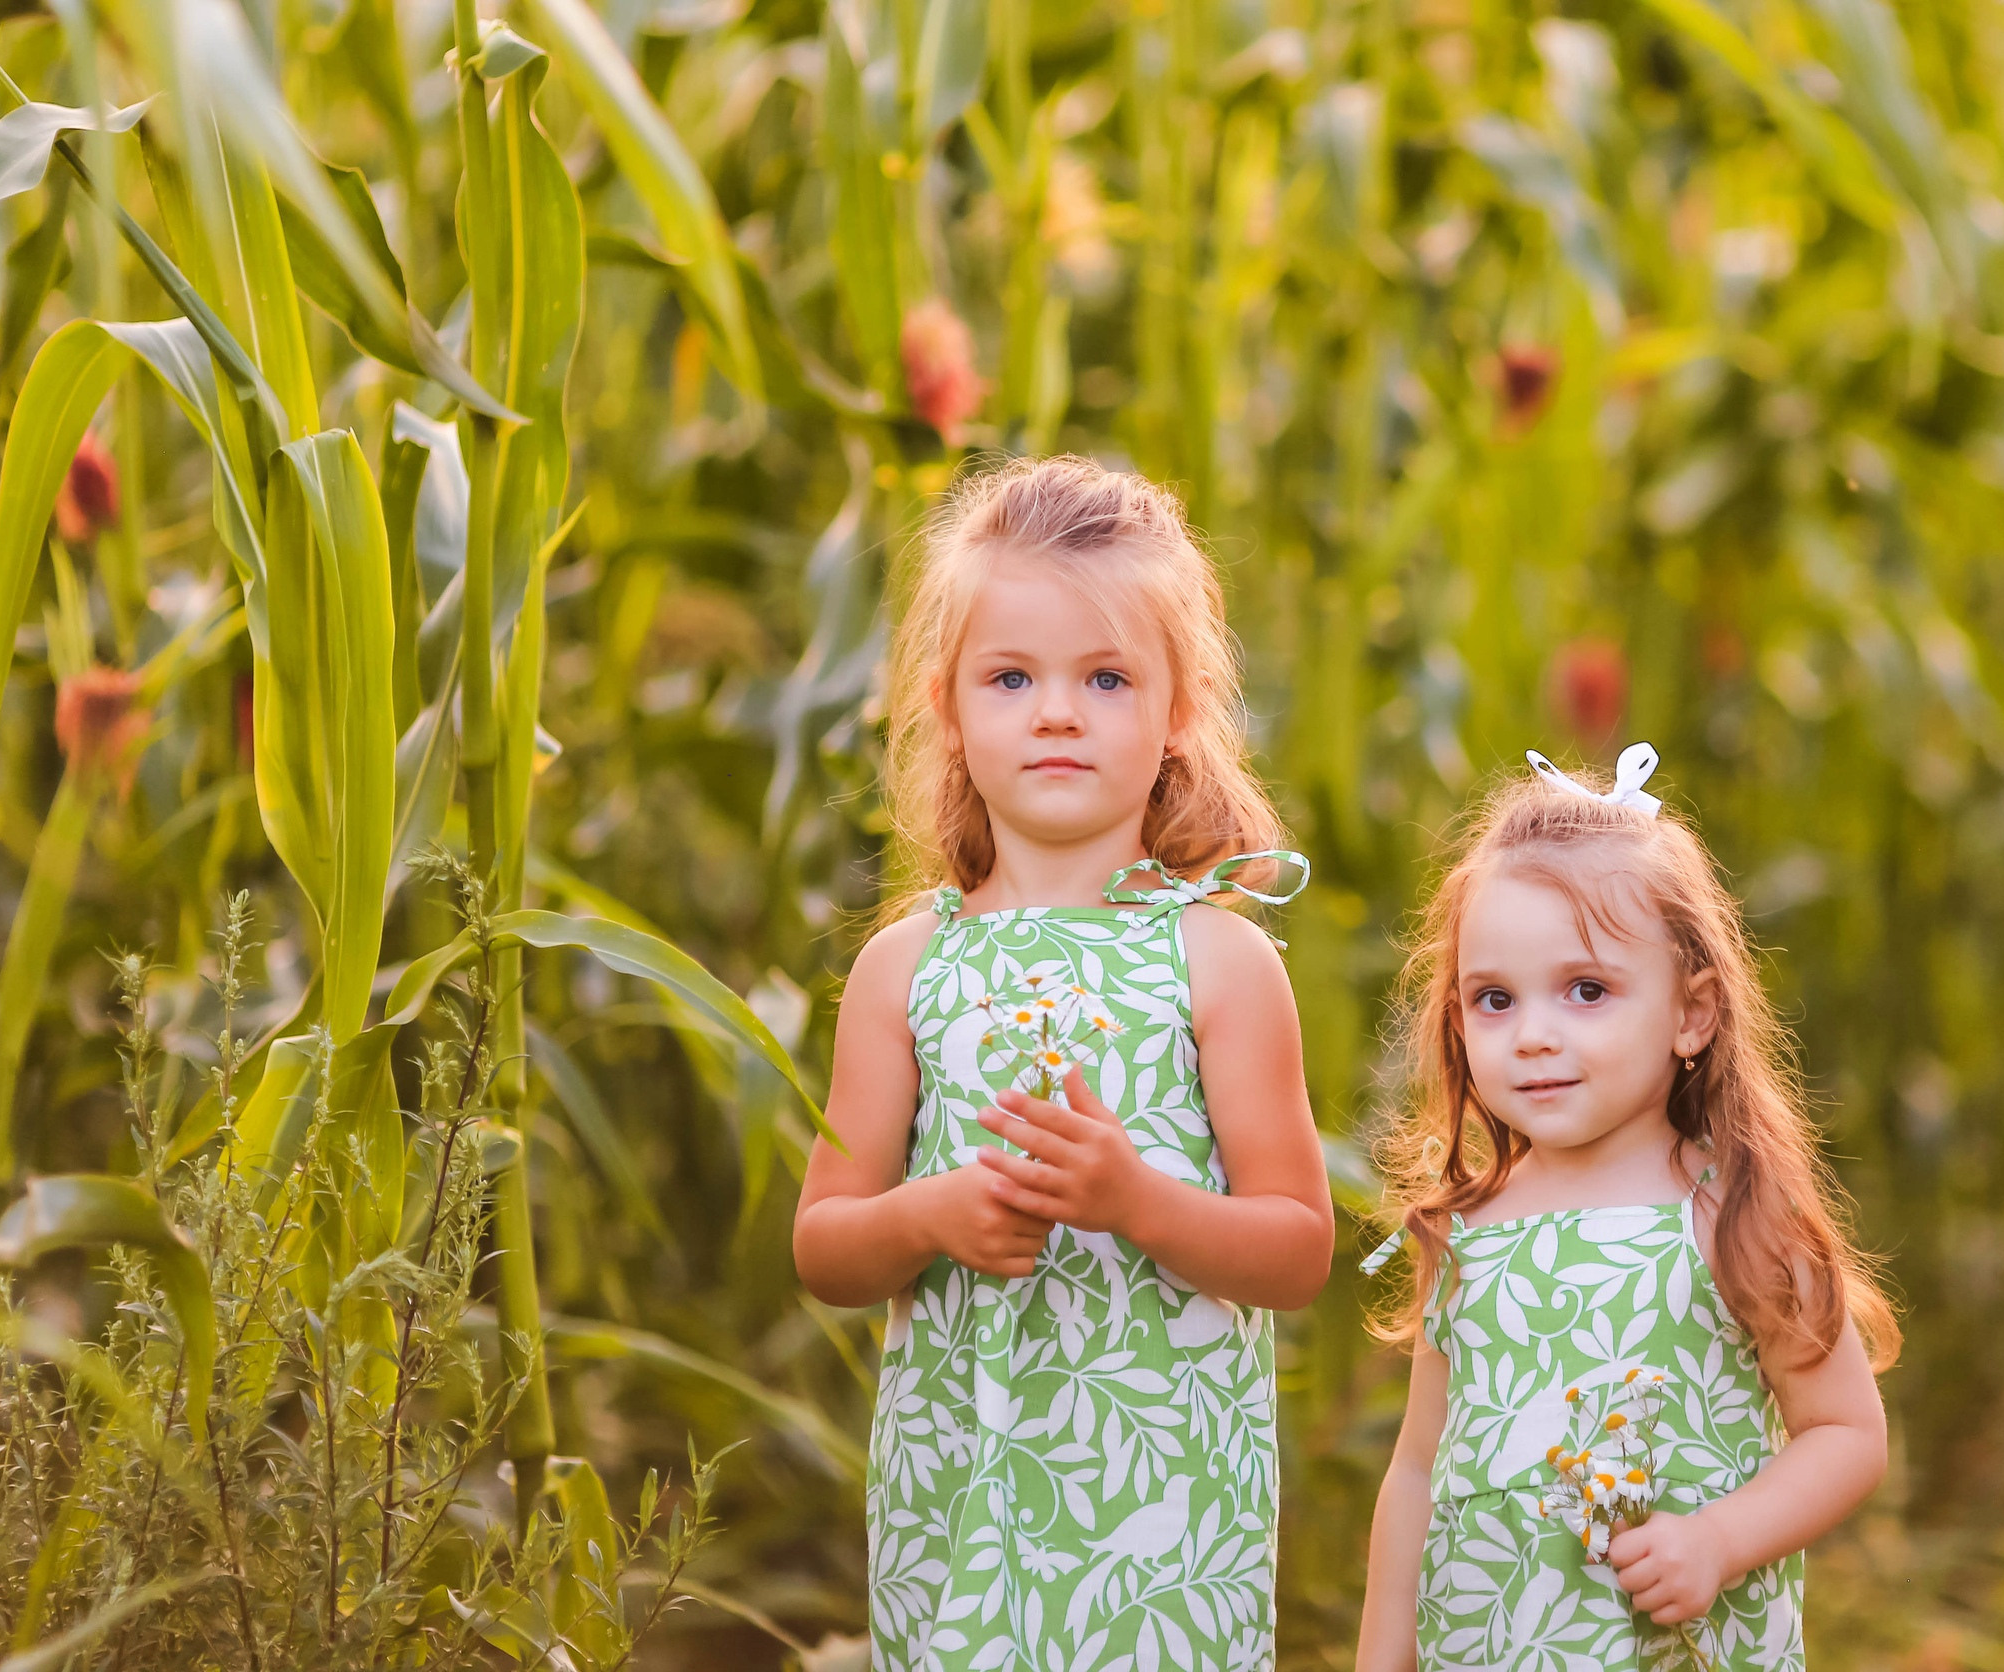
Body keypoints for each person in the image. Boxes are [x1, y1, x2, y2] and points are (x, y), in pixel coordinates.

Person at [792, 455, 1332, 1671]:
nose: (1055, 712)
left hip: (1168, 1516)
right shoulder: (905, 968)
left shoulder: (1217, 961)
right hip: (965, 1494)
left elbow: (1298, 1246)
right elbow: (823, 1242)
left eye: (1104, 677)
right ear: (947, 705)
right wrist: (928, 1213)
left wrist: (1133, 1200)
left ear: (1177, 710)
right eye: (1011, 677)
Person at [1356, 745, 1898, 1671]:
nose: (1534, 1035)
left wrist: (1719, 1541)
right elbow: (1417, 1470)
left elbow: (1846, 1434)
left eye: (1587, 990)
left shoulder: (1728, 1215)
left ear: (1691, 1014)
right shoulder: (1466, 1231)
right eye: (1494, 999)